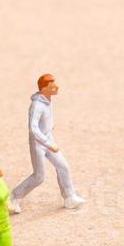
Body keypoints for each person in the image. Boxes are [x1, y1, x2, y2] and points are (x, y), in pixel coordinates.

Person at [10, 74, 84, 213]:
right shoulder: (37, 105)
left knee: (63, 167)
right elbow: (33, 128)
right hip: (38, 144)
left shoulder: (48, 100)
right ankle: (14, 197)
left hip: (49, 139)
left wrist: (50, 138)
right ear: (44, 89)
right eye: (52, 86)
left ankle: (69, 197)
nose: (57, 87)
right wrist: (48, 143)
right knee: (39, 176)